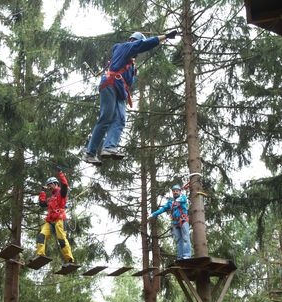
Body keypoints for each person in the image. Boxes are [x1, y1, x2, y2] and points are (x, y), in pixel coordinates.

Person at [83, 30, 178, 164]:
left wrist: (132, 72)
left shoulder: (131, 64)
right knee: (106, 117)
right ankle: (90, 153)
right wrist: (165, 37)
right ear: (134, 41)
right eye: (138, 46)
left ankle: (109, 147)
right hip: (110, 84)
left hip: (120, 90)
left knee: (120, 119)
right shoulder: (126, 46)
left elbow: (129, 83)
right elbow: (144, 44)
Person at [34, 171, 74, 266]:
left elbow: (64, 184)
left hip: (59, 219)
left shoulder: (61, 193)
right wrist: (43, 191)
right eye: (48, 185)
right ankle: (40, 255)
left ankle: (69, 260)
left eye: (50, 184)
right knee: (41, 236)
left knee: (61, 239)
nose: (49, 186)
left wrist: (60, 173)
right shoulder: (51, 197)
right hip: (50, 221)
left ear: (55, 184)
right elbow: (42, 203)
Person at [148, 184, 191, 260]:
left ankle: (187, 255)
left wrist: (181, 194)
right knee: (178, 240)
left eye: (177, 191)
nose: (175, 192)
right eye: (174, 191)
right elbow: (163, 209)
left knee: (185, 238)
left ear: (180, 192)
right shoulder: (170, 202)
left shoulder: (183, 198)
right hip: (175, 223)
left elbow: (183, 199)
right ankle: (180, 256)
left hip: (183, 220)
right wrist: (153, 214)